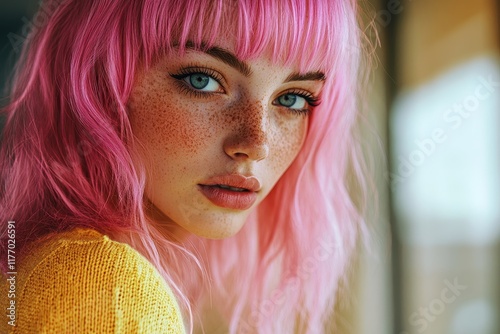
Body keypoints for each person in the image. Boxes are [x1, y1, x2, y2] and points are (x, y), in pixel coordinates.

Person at [0, 0, 369, 333]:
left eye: (292, 98)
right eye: (202, 80)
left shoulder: (56, 269)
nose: (257, 144)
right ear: (103, 82)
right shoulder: (106, 288)